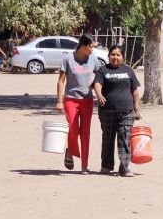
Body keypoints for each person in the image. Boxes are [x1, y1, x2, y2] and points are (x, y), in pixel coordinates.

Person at [93, 45, 141, 176]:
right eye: (113, 54)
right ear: (108, 56)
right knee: (108, 139)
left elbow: (135, 90)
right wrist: (99, 95)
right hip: (107, 111)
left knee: (124, 138)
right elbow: (97, 84)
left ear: (122, 57)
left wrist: (137, 108)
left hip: (127, 111)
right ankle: (106, 166)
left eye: (118, 55)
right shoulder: (103, 70)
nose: (115, 57)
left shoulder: (128, 70)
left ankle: (124, 167)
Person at [55, 34, 99, 174]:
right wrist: (59, 101)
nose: (92, 50)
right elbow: (61, 81)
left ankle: (84, 165)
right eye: (91, 47)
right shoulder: (68, 58)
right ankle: (71, 151)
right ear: (84, 45)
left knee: (85, 132)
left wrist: (95, 84)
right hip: (71, 99)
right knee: (73, 129)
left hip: (87, 100)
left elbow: (99, 75)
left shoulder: (93, 59)